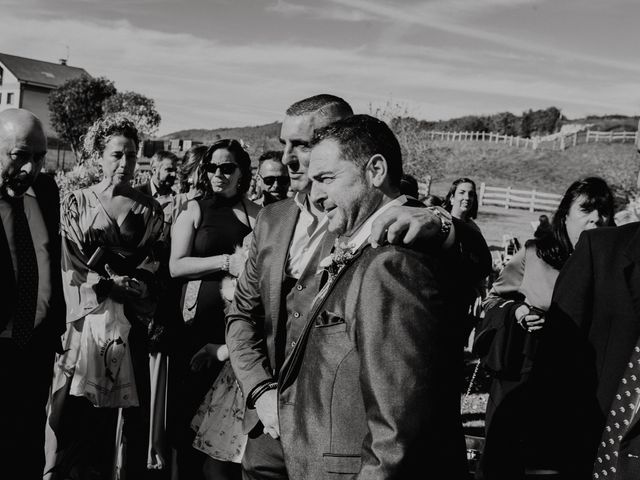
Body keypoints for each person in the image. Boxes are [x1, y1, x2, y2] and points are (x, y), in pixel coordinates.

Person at [226, 94, 491, 480]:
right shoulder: (272, 219)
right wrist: (262, 392)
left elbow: (398, 420)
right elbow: (242, 315)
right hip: (270, 435)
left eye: (304, 144)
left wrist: (444, 223)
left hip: (347, 453)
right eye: (285, 144)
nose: (287, 157)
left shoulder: (403, 231)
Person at [276, 114, 467, 478]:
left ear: (375, 170)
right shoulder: (359, 247)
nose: (314, 196)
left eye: (326, 179)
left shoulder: (391, 266)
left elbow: (398, 430)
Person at [44, 115, 165, 480]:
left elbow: (156, 262)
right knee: (75, 412)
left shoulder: (151, 210)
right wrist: (105, 285)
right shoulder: (75, 203)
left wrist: (140, 285)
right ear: (99, 156)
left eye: (131, 155)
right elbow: (69, 264)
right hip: (84, 323)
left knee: (123, 416)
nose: (124, 163)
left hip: (129, 326)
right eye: (116, 154)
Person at [475, 177, 615, 479]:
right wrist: (518, 310)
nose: (596, 218)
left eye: (603, 211)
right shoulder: (535, 254)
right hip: (524, 376)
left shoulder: (616, 265)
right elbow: (493, 299)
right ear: (564, 214)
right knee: (507, 464)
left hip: (583, 388)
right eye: (586, 209)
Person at [169, 139, 259, 480]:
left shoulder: (257, 215)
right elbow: (176, 266)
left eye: (227, 168)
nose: (218, 174)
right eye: (212, 167)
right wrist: (227, 262)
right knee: (187, 417)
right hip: (194, 327)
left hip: (233, 331)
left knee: (221, 427)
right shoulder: (194, 208)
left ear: (242, 173)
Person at [0, 109, 65, 480]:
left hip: (35, 348)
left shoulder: (46, 190)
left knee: (26, 452)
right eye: (20, 155)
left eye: (39, 157)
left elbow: (50, 259)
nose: (31, 168)